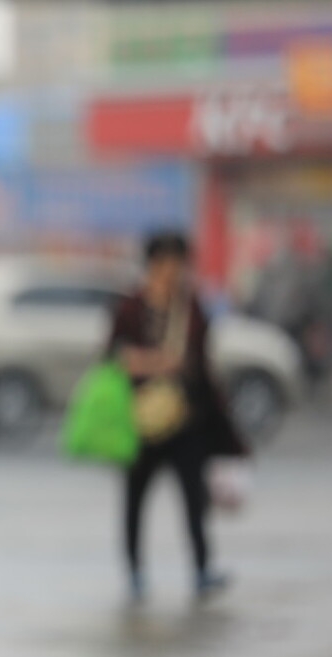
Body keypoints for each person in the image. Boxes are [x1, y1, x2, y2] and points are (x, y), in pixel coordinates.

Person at [108, 231, 247, 603]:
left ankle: (202, 570)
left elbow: (204, 364)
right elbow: (113, 356)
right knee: (135, 500)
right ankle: (135, 574)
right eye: (166, 262)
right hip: (140, 422)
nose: (173, 270)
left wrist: (222, 421)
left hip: (186, 422)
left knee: (193, 499)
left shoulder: (192, 308)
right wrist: (156, 362)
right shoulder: (131, 307)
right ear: (152, 264)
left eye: (179, 262)